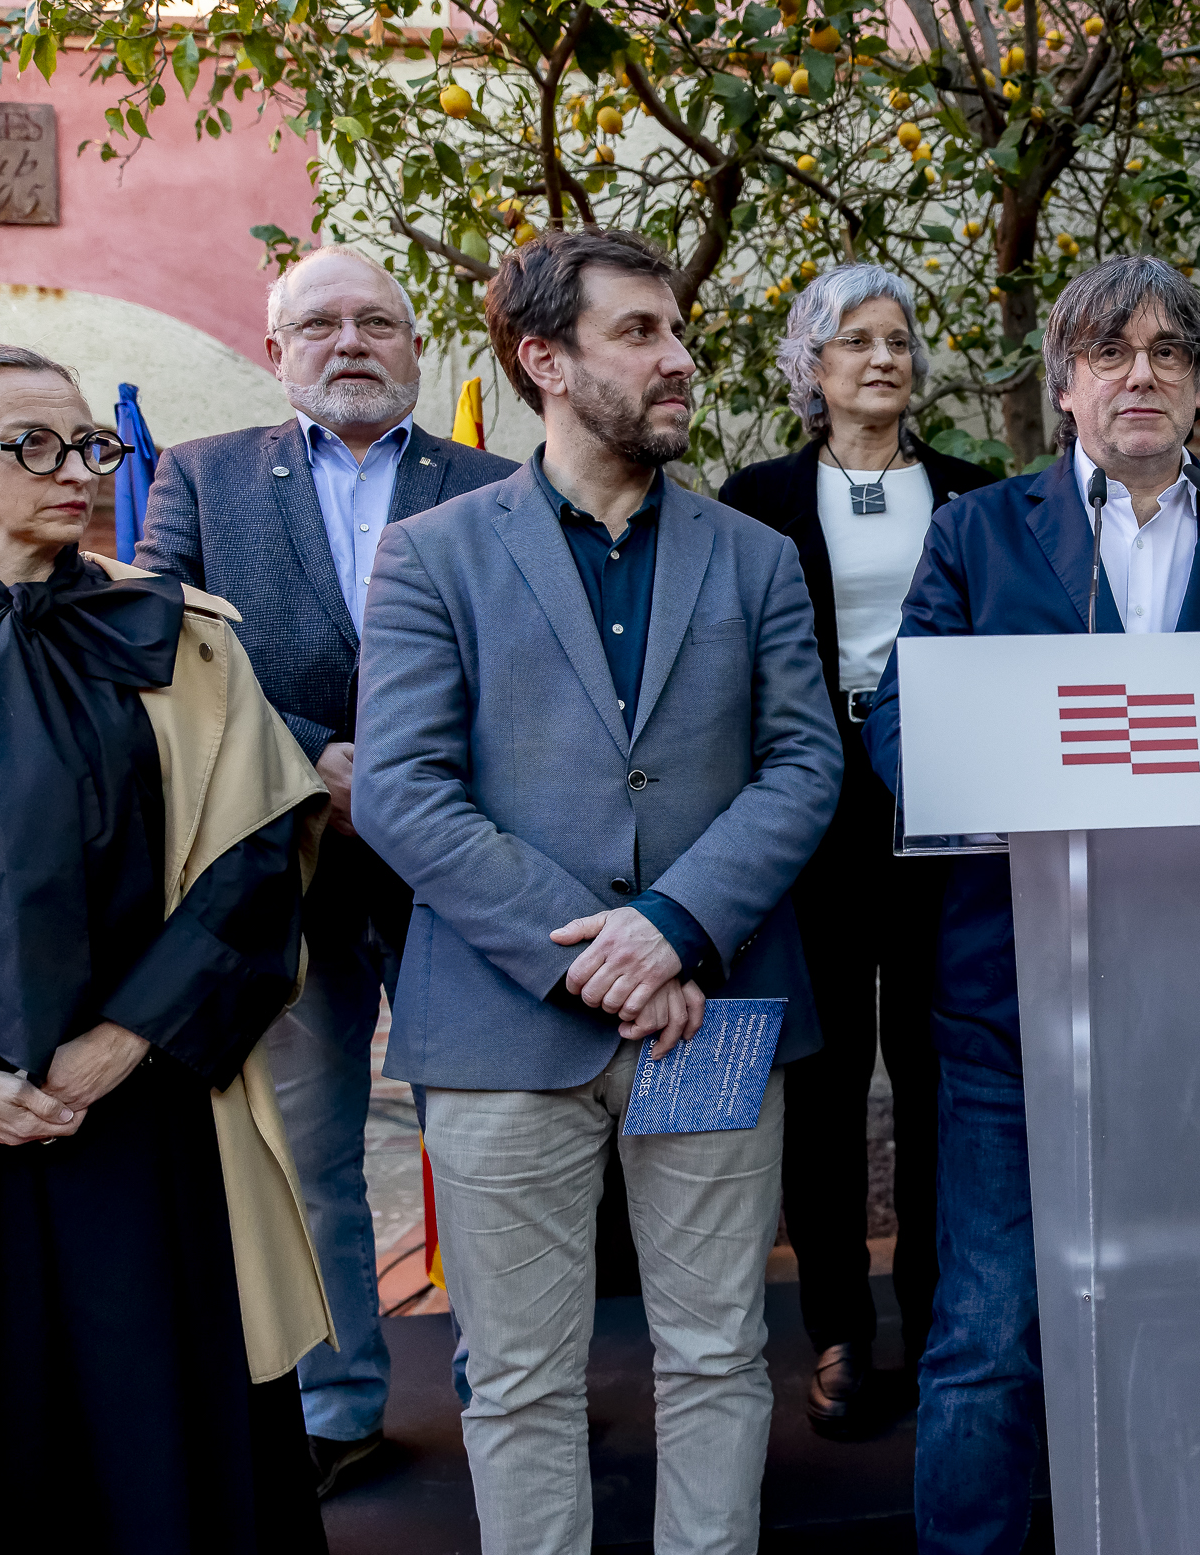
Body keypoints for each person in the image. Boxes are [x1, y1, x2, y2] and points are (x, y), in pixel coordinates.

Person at [351, 227, 841, 1555]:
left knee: (716, 1351)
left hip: (715, 1007)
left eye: (676, 330)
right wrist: (587, 951)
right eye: (639, 332)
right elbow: (400, 790)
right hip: (506, 1028)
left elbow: (805, 764)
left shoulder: (753, 556)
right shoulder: (433, 555)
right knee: (514, 1379)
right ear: (542, 359)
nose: (677, 358)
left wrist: (671, 925)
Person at [860, 255, 1200, 1555]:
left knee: (1197, 1313)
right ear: (1063, 383)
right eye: (1107, 352)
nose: (1139, 373)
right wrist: (997, 781)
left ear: (1198, 389)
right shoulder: (976, 534)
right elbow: (904, 715)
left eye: (1168, 355)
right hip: (1015, 996)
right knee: (989, 1329)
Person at [0, 343, 332, 1551]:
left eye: (89, 445)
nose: (72, 470)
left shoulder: (185, 641)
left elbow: (252, 871)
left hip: (146, 1118)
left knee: (166, 1442)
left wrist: (122, 1042)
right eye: (30, 445)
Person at [136, 242, 519, 1492]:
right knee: (311, 1148)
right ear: (275, 351)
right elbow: (170, 658)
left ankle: (507, 1390)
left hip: (460, 866)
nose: (350, 343)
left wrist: (402, 777)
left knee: (486, 1137)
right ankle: (340, 1402)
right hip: (287, 858)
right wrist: (318, 765)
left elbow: (530, 673)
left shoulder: (497, 483)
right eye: (320, 325)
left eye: (377, 322)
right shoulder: (195, 481)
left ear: (417, 346)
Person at [717, 263, 993, 1435]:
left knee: (938, 1073)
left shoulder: (977, 494)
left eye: (898, 341)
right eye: (856, 341)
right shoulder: (756, 496)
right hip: (808, 806)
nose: (883, 358)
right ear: (810, 367)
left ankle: (938, 1314)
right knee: (821, 1080)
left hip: (942, 799)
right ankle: (836, 1327)